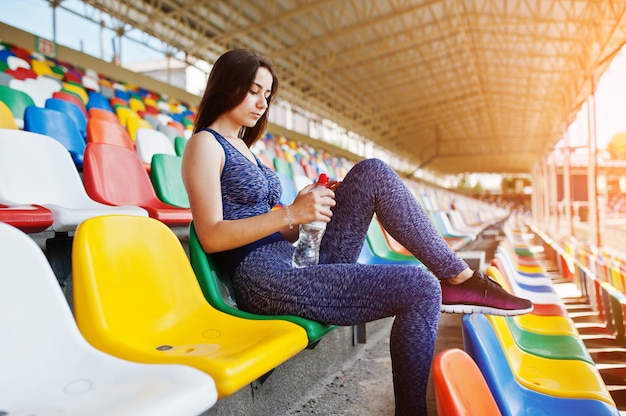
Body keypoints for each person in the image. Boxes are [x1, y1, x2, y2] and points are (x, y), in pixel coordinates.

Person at [182, 49, 532, 416]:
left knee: (372, 173)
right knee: (420, 287)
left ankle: (458, 275)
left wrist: (303, 214)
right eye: (254, 90)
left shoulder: (247, 149)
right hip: (264, 278)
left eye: (267, 95)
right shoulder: (204, 144)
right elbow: (211, 236)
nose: (261, 103)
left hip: (293, 260)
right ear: (227, 84)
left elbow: (275, 228)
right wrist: (289, 213)